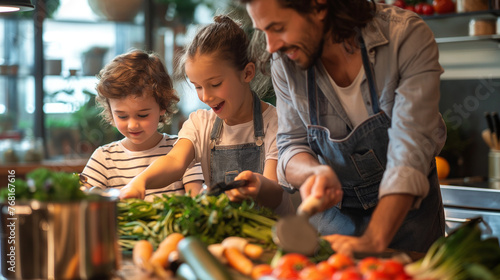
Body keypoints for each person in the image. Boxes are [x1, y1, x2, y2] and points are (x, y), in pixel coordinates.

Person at [238, 0, 447, 254]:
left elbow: (410, 153)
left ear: (319, 6)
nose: (271, 46)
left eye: (278, 27)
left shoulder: (405, 36)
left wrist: (374, 240)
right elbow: (291, 146)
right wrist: (313, 173)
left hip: (408, 218)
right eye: (263, 32)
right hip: (333, 220)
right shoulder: (285, 60)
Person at [119, 15, 294, 215]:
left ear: (247, 73)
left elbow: (275, 192)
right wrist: (141, 181)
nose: (206, 96)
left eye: (215, 84)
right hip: (226, 236)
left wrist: (259, 186)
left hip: (274, 237)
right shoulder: (200, 123)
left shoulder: (276, 123)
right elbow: (175, 162)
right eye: (198, 87)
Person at [81, 49, 204, 201]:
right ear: (110, 111)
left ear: (162, 105)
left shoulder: (183, 150)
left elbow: (196, 201)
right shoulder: (104, 158)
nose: (132, 125)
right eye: (122, 116)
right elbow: (83, 199)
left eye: (143, 115)